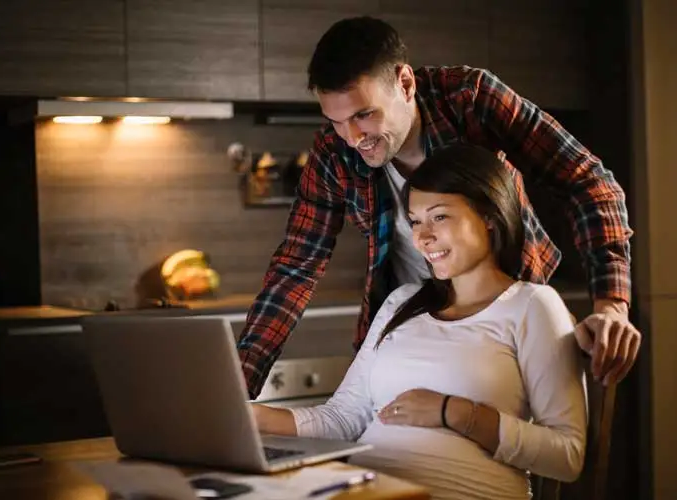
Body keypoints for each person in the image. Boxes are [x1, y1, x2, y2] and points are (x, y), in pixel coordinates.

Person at [237, 16, 641, 399]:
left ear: (405, 83)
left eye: (365, 114)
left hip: (506, 318)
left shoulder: (470, 100)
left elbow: (589, 180)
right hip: (409, 325)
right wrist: (243, 377)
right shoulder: (333, 152)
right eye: (337, 121)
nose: (353, 137)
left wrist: (611, 305)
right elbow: (296, 265)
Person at [252, 144, 588, 500]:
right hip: (366, 491)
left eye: (440, 217)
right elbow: (341, 417)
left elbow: (567, 456)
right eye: (415, 221)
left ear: (489, 216)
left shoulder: (532, 305)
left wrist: (455, 413)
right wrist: (249, 418)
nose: (422, 237)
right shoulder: (402, 302)